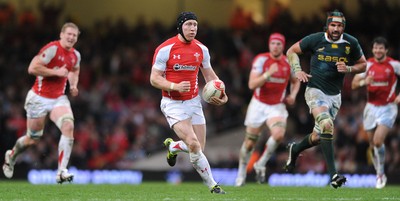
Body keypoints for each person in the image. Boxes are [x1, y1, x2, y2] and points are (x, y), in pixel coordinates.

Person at [283, 10, 367, 188]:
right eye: (333, 25)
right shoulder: (315, 39)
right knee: (327, 124)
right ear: (327, 25)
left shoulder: (351, 42)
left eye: (339, 26)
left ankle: (295, 149)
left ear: (343, 27)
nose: (336, 29)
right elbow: (291, 51)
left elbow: (364, 64)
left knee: (319, 136)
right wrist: (297, 69)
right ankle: (334, 175)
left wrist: (349, 69)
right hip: (315, 91)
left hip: (335, 96)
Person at [149, 12, 228, 194]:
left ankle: (173, 146)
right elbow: (154, 79)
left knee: (198, 147)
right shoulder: (165, 49)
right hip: (172, 103)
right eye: (188, 25)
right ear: (180, 26)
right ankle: (213, 185)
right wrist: (174, 86)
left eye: (195, 25)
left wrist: (223, 94)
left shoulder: (202, 49)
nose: (193, 28)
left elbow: (210, 77)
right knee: (193, 144)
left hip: (194, 102)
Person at [2, 22, 81, 184]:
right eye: (69, 34)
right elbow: (32, 68)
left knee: (68, 126)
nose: (71, 37)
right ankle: (11, 156)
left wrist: (73, 85)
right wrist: (56, 72)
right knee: (32, 139)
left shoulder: (75, 55)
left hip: (58, 98)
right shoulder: (52, 49)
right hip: (38, 98)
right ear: (61, 34)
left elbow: (74, 70)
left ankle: (61, 172)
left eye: (74, 35)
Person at [235, 33, 300, 186]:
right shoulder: (261, 59)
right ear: (269, 45)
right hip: (258, 104)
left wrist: (294, 95)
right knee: (250, 143)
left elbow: (295, 81)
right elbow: (252, 85)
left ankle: (261, 163)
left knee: (278, 135)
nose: (275, 46)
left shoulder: (288, 62)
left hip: (276, 106)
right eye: (273, 43)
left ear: (283, 46)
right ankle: (241, 173)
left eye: (278, 44)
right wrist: (267, 74)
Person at [351, 36, 400, 189]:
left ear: (386, 50)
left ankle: (380, 174)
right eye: (375, 48)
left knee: (378, 141)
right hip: (370, 108)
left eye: (381, 48)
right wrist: (363, 82)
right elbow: (353, 84)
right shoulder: (367, 65)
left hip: (388, 107)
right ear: (372, 50)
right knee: (372, 145)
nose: (378, 50)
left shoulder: (394, 64)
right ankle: (380, 172)